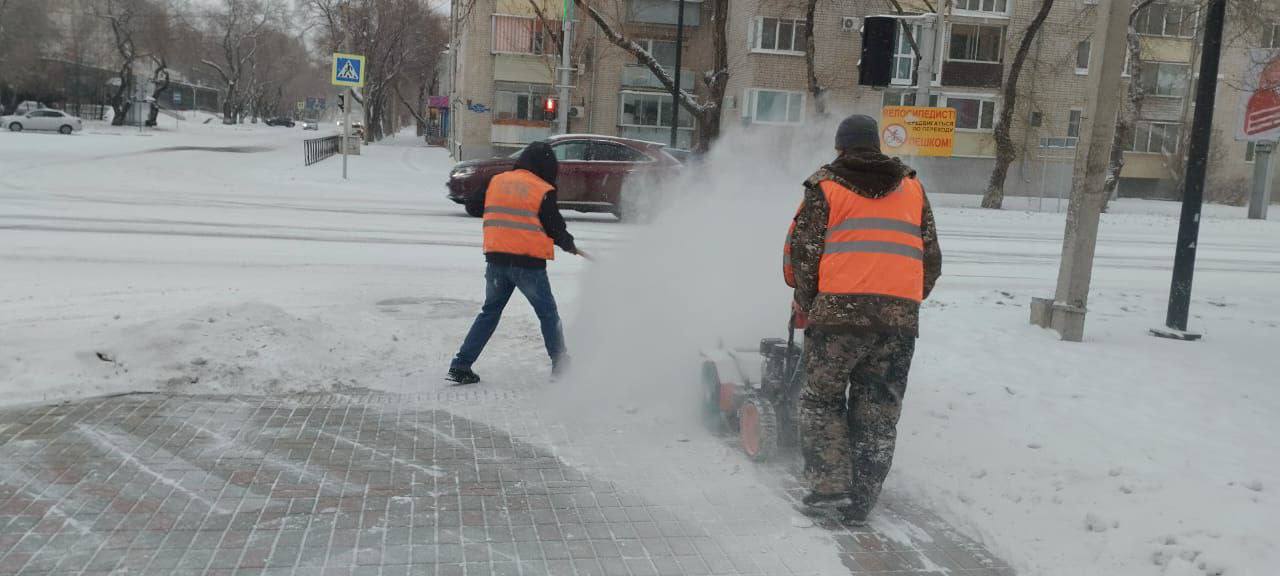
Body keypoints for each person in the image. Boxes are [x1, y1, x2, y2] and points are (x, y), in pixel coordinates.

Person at [786, 114, 942, 525]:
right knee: (878, 410)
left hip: (837, 319)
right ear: (876, 145)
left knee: (822, 400)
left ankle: (829, 489)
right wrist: (903, 301)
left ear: (840, 147)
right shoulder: (912, 187)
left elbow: (804, 254)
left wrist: (807, 302)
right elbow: (931, 259)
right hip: (897, 324)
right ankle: (861, 500)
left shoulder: (825, 185)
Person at [447, 141, 587, 385]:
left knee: (489, 312)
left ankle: (461, 364)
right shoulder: (541, 189)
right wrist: (568, 244)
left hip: (496, 261)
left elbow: (475, 205)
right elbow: (555, 228)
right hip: (528, 265)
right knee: (547, 313)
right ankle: (560, 364)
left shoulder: (497, 181)